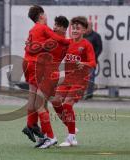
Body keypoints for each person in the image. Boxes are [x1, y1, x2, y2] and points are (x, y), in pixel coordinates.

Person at [22, 5, 69, 149]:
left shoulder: (34, 30)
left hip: (32, 65)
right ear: (41, 15)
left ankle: (35, 128)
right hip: (39, 67)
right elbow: (56, 40)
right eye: (53, 24)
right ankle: (46, 134)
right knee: (40, 103)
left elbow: (37, 46)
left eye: (57, 25)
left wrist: (30, 45)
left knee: (35, 101)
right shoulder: (45, 30)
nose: (53, 27)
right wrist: (73, 41)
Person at [51, 16, 96, 147]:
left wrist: (84, 63)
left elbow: (93, 62)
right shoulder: (67, 42)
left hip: (80, 81)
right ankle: (71, 127)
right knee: (55, 101)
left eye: (78, 28)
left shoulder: (86, 45)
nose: (75, 30)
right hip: (67, 79)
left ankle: (71, 138)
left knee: (67, 105)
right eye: (73, 28)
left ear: (84, 31)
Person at [83, 22, 103, 99]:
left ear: (91, 27)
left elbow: (99, 48)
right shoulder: (83, 36)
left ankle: (89, 93)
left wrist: (94, 56)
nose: (87, 28)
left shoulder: (96, 36)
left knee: (90, 77)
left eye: (88, 27)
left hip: (91, 60)